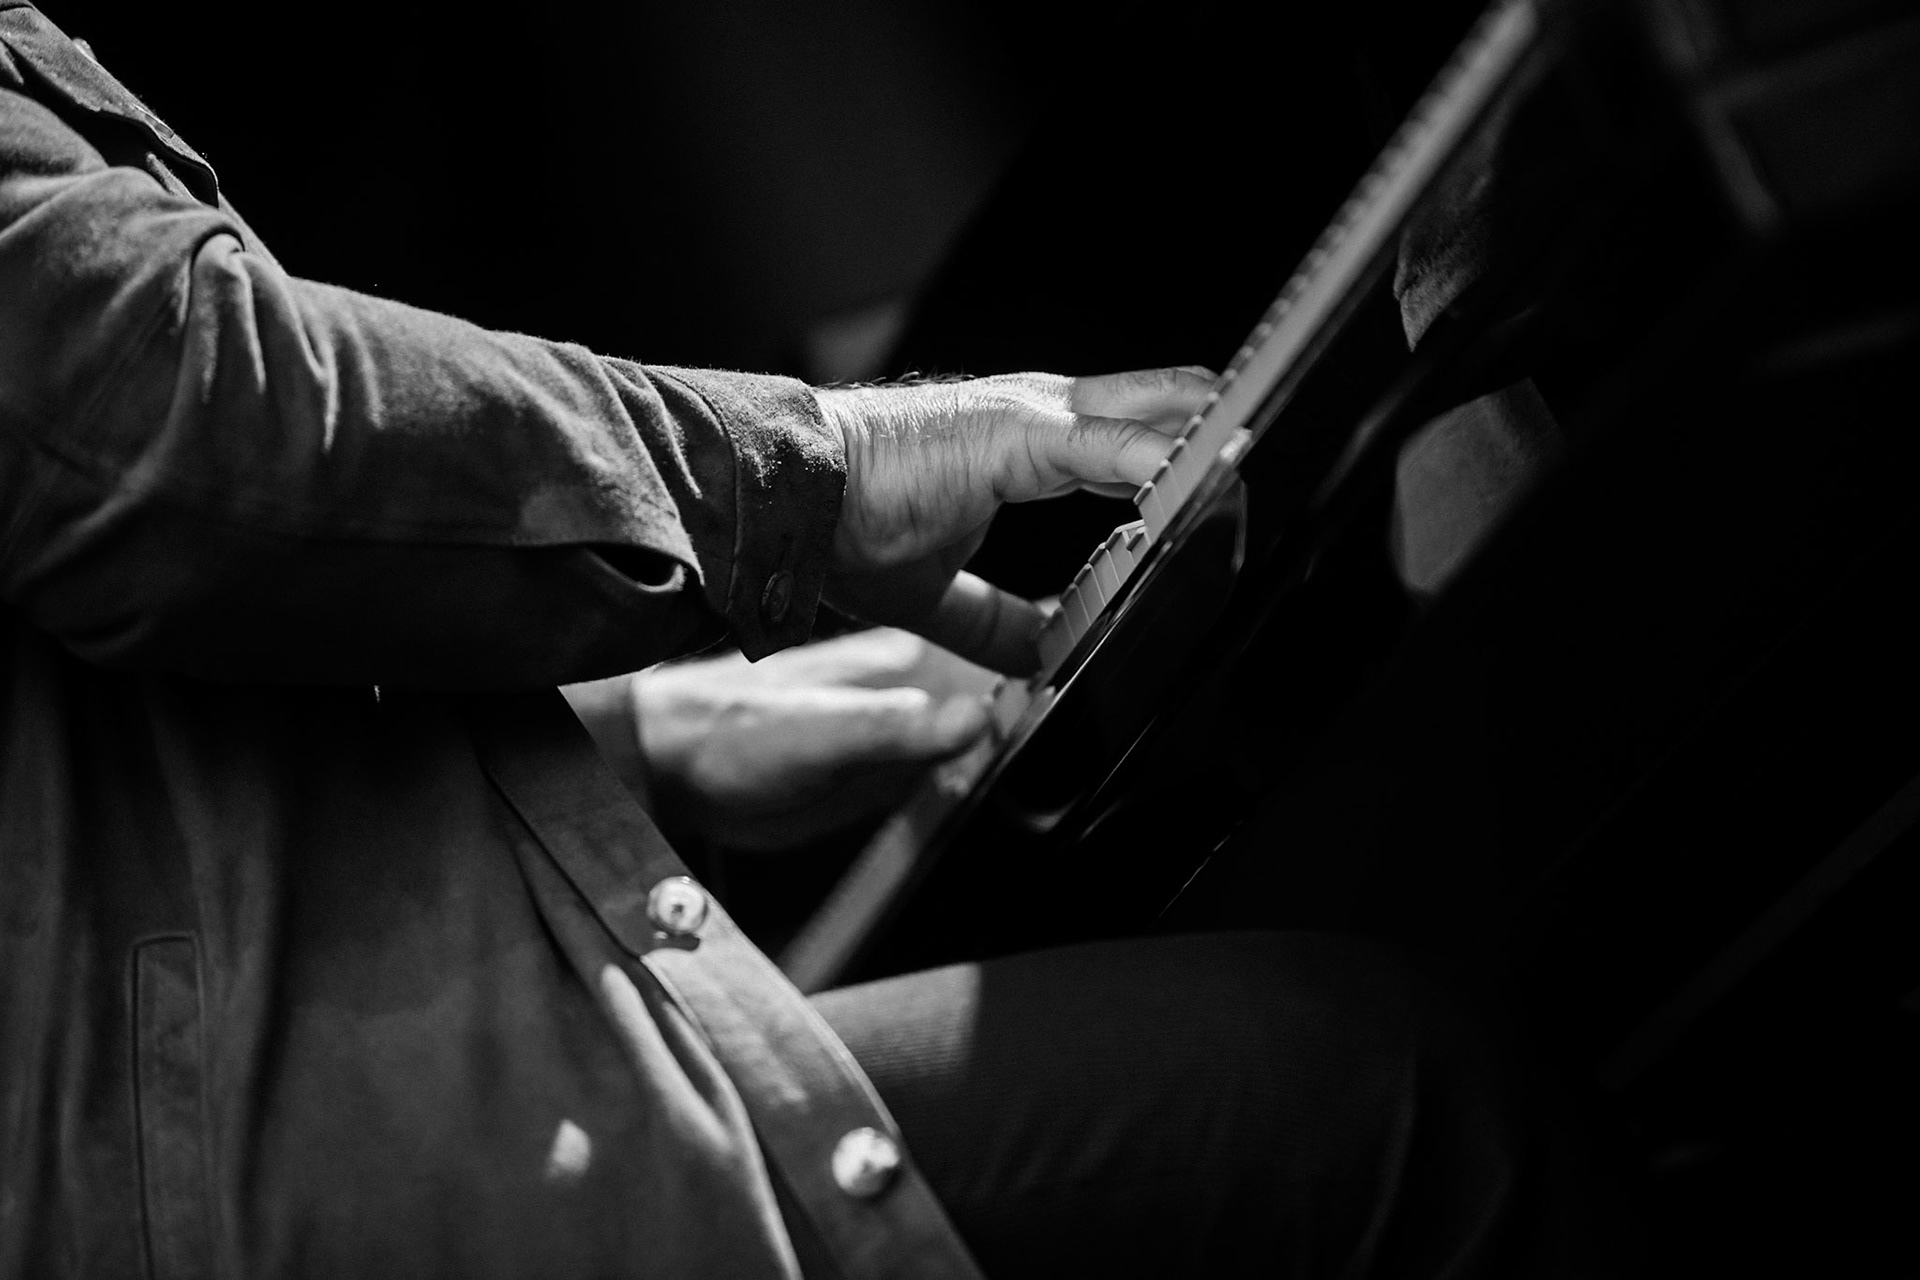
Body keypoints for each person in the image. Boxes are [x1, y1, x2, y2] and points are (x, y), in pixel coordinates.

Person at [0, 5, 1634, 1277]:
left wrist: (658, 744)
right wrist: (828, 475)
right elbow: (173, 410)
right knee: (1395, 1116)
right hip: (248, 1199)